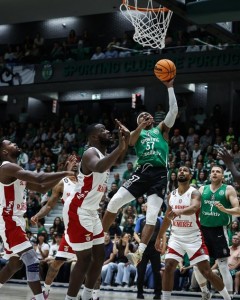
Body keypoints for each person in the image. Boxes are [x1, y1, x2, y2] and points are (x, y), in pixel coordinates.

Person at [102, 78, 178, 266]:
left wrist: (170, 87)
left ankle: (139, 253)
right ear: (138, 122)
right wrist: (140, 126)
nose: (146, 116)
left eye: (147, 115)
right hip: (142, 172)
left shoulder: (161, 129)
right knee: (114, 202)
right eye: (141, 116)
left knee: (152, 215)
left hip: (159, 174)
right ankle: (99, 236)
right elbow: (131, 141)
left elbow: (174, 111)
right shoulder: (137, 133)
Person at [63, 121, 130, 300]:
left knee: (99, 257)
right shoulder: (90, 153)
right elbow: (100, 166)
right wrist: (121, 146)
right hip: (78, 210)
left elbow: (119, 159)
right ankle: (69, 298)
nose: (108, 132)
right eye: (103, 130)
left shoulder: (104, 153)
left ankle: (86, 296)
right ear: (93, 136)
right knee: (84, 259)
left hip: (91, 212)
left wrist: (127, 139)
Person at [0, 139, 74, 300]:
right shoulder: (6, 167)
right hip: (8, 219)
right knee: (32, 260)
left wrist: (63, 172)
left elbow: (41, 187)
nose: (15, 143)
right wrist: (64, 173)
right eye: (10, 144)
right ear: (4, 152)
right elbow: (39, 178)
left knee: (15, 264)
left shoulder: (16, 170)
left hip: (17, 219)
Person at [155, 166, 232, 300]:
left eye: (185, 170)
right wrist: (159, 236)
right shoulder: (171, 195)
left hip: (193, 237)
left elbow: (194, 207)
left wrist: (179, 212)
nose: (182, 172)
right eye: (180, 170)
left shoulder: (195, 193)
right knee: (168, 266)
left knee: (207, 272)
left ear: (190, 176)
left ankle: (227, 298)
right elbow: (168, 217)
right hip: (176, 237)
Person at [31, 160, 78, 298]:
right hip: (71, 231)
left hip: (88, 227)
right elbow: (50, 205)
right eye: (71, 160)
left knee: (92, 264)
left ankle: (94, 294)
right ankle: (45, 291)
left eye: (77, 161)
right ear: (66, 165)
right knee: (56, 263)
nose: (75, 163)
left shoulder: (86, 179)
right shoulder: (62, 183)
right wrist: (38, 215)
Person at [195, 165, 240, 293]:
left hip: (219, 231)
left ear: (222, 176)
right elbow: (194, 207)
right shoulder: (203, 188)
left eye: (218, 172)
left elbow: (238, 210)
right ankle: (205, 292)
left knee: (223, 266)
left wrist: (225, 210)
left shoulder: (228, 189)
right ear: (210, 175)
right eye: (213, 171)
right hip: (203, 231)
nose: (214, 173)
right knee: (198, 265)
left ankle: (229, 296)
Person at [134, 204, 165, 299]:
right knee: (141, 271)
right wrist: (142, 242)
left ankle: (158, 293)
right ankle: (139, 292)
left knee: (157, 271)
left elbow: (163, 234)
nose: (147, 208)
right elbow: (135, 233)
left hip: (155, 248)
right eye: (146, 207)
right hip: (142, 248)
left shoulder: (159, 219)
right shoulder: (140, 219)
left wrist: (163, 247)